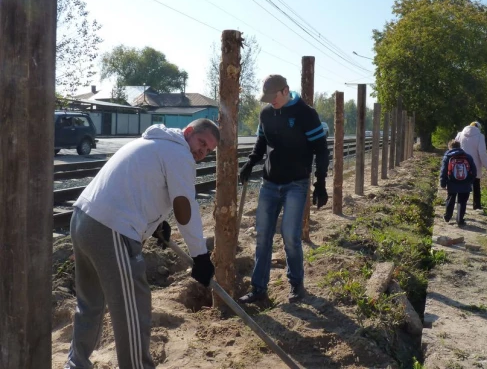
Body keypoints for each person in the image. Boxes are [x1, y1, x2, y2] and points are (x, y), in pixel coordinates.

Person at [65, 119, 219, 369]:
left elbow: (139, 186)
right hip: (111, 228)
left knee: (90, 303)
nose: (202, 152)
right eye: (202, 142)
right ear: (188, 132)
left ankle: (76, 364)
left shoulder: (155, 142)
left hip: (84, 218)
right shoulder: (179, 153)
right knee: (133, 310)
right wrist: (200, 255)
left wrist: (155, 223)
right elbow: (185, 208)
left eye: (208, 150)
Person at [238, 74, 329, 304]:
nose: (271, 102)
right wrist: (251, 161)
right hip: (269, 184)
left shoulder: (305, 114)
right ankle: (259, 288)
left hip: (296, 184)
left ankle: (296, 285)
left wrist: (320, 182)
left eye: (274, 97)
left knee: (290, 236)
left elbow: (321, 149)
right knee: (262, 236)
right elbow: (261, 142)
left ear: (286, 91)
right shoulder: (266, 114)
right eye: (267, 98)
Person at [439, 140, 477, 226]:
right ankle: (460, 219)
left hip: (452, 182)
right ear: (460, 147)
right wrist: (470, 181)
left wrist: (443, 183)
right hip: (465, 183)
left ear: (450, 147)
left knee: (450, 199)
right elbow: (474, 171)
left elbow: (443, 171)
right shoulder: (468, 157)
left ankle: (447, 217)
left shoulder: (447, 156)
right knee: (462, 201)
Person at [456, 121, 487, 210]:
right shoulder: (480, 136)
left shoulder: (460, 135)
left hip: (460, 164)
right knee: (476, 186)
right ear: (478, 128)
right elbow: (482, 153)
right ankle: (477, 206)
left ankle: (460, 205)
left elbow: (454, 149)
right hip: (474, 166)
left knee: (461, 184)